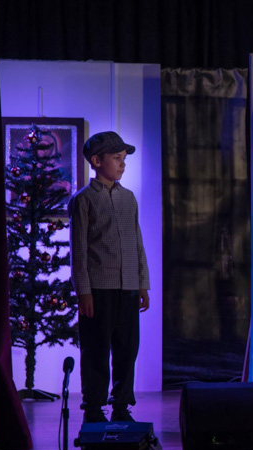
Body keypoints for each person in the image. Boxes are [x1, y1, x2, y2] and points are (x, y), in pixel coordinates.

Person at [69, 132, 150, 423]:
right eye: (116, 158)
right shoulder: (83, 200)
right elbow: (79, 250)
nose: (122, 164)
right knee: (96, 349)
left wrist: (142, 283)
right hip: (99, 290)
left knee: (127, 349)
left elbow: (137, 243)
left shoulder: (128, 198)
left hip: (128, 287)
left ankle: (121, 405)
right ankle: (93, 408)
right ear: (96, 161)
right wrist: (84, 291)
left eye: (124, 158)